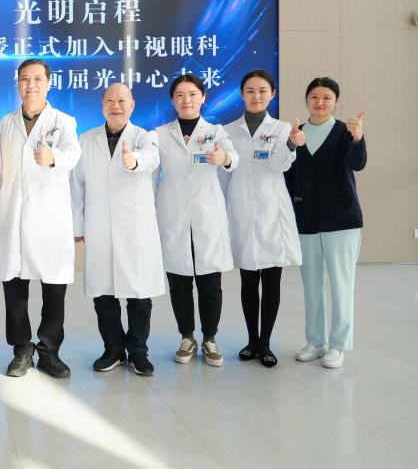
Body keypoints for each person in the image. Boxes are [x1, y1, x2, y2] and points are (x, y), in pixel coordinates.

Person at [0, 58, 81, 379]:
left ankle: (49, 351)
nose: (31, 85)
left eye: (37, 79)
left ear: (48, 83)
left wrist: (52, 155)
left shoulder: (64, 121)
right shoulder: (5, 124)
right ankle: (21, 349)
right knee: (14, 287)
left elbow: (74, 153)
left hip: (50, 217)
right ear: (18, 84)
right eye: (24, 79)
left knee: (54, 287)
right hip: (12, 213)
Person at [70, 83, 164, 377]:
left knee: (139, 293)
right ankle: (112, 349)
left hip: (135, 226)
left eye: (122, 100)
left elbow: (151, 159)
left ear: (132, 105)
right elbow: (76, 186)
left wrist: (133, 161)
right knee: (103, 292)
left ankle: (138, 351)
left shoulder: (145, 138)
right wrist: (77, 225)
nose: (116, 106)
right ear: (102, 105)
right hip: (99, 225)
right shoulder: (86, 140)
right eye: (110, 100)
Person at [155, 74, 238, 367]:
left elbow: (234, 159)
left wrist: (223, 158)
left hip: (206, 216)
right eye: (180, 95)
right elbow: (151, 175)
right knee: (179, 282)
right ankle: (187, 337)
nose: (186, 100)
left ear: (202, 97)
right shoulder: (160, 134)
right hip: (173, 216)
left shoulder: (215, 131)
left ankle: (210, 338)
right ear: (172, 100)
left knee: (210, 283)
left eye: (192, 94)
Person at [221, 70, 302, 368]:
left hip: (272, 211)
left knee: (271, 280)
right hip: (241, 209)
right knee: (247, 279)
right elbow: (223, 175)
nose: (256, 96)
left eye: (262, 91)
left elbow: (280, 165)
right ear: (242, 94)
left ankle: (266, 343)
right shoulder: (227, 131)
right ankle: (251, 340)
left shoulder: (282, 129)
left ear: (272, 94)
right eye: (251, 91)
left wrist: (291, 144)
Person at [285, 77, 366, 369]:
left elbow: (357, 164)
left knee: (342, 284)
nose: (320, 102)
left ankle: (339, 345)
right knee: (311, 284)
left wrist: (358, 138)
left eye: (327, 97)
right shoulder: (297, 134)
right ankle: (315, 341)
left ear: (336, 101)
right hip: (307, 219)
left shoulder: (345, 132)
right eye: (314, 96)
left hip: (342, 219)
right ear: (307, 99)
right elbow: (287, 176)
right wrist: (291, 147)